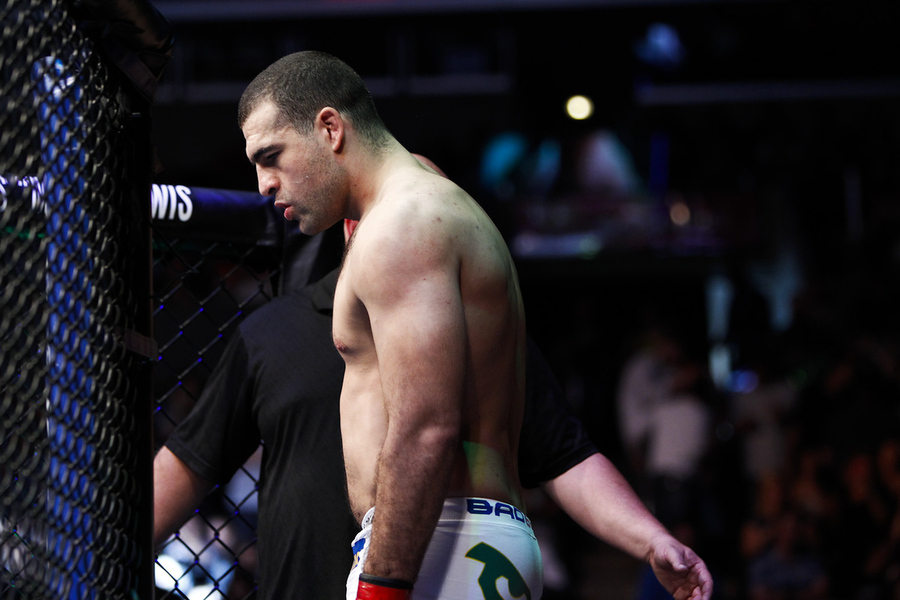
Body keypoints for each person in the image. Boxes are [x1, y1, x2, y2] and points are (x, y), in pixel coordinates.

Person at [154, 257, 713, 600]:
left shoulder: (485, 332)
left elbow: (565, 456)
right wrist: (108, 552)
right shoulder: (275, 331)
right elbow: (193, 459)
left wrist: (652, 539)